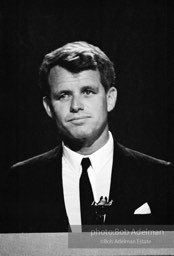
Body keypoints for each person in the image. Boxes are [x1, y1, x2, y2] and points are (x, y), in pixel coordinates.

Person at [3, 41, 174, 232]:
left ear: (110, 99)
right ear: (48, 107)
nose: (76, 105)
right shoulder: (21, 182)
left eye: (87, 92)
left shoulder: (161, 177)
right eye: (63, 95)